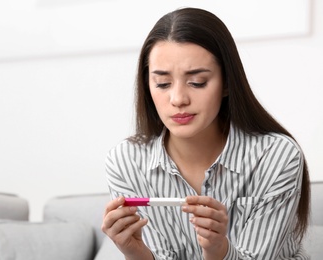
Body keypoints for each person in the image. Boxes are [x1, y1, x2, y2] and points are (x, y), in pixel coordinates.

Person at [101, 7, 310, 260]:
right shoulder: (125, 162)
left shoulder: (276, 156)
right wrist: (137, 254)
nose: (178, 99)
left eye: (197, 82)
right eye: (163, 84)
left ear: (227, 83)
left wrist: (218, 251)